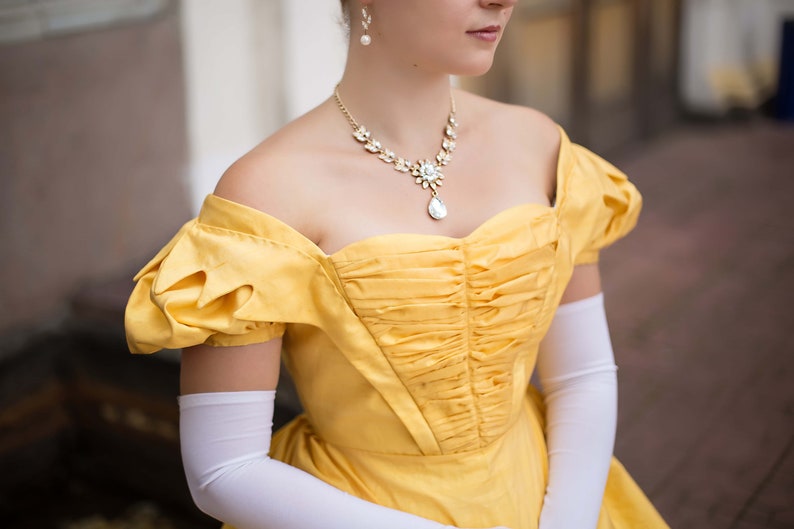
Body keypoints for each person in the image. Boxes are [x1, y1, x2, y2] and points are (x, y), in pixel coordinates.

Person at [124, 1, 670, 528]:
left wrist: (568, 520)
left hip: (548, 490)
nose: (501, 0)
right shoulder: (267, 192)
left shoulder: (540, 143)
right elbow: (225, 470)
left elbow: (583, 376)